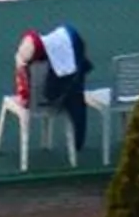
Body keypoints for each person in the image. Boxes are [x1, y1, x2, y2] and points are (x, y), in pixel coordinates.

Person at [16, 23, 93, 151]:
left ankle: (78, 143)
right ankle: (78, 143)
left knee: (75, 99)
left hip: (72, 41)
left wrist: (26, 98)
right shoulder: (29, 51)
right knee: (68, 93)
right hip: (68, 36)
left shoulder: (30, 55)